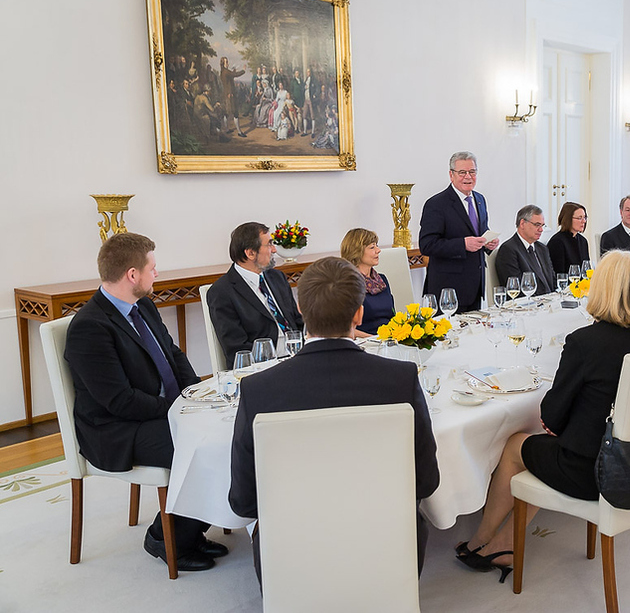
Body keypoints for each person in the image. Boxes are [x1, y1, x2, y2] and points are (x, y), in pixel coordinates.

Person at [455, 251, 630, 582]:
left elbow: (550, 417)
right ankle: (502, 540)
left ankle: (483, 539)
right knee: (548, 448)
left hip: (592, 472)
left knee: (515, 445)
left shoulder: (584, 342)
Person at [229, 257, 440, 585]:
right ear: (360, 313)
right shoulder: (399, 379)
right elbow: (426, 481)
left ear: (300, 308)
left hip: (292, 555)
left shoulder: (258, 389)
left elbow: (243, 501)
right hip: (388, 547)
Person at [64, 233, 223, 571]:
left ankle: (190, 530)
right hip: (116, 429)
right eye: (153, 268)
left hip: (154, 413)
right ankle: (165, 540)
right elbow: (119, 401)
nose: (157, 274)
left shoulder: (144, 305)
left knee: (221, 432)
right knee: (199, 445)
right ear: (132, 274)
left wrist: (195, 394)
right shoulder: (89, 327)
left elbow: (173, 354)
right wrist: (180, 410)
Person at [207, 222, 303, 369]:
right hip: (264, 369)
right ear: (250, 253)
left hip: (298, 358)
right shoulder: (221, 292)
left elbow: (296, 322)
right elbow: (237, 349)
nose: (274, 250)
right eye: (269, 244)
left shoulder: (277, 277)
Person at [418, 151, 500, 313]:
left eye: (472, 172)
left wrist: (488, 244)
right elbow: (427, 245)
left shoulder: (480, 199)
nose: (468, 176)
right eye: (462, 172)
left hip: (476, 286)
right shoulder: (436, 204)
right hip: (448, 289)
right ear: (451, 175)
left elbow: (480, 233)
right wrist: (462, 244)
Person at [340, 228, 394, 336]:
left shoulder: (382, 280)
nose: (378, 250)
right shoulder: (348, 284)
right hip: (366, 344)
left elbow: (393, 317)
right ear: (357, 251)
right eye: (372, 247)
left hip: (389, 341)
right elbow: (343, 329)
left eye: (376, 246)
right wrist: (376, 339)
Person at [494, 205, 557, 295]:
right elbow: (516, 289)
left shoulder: (542, 248)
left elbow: (552, 281)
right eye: (537, 225)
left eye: (542, 225)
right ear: (522, 223)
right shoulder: (508, 250)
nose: (541, 229)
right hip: (527, 305)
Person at [547, 201, 591, 274]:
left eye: (585, 217)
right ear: (568, 219)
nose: (584, 221)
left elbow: (586, 270)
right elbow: (559, 273)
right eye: (579, 218)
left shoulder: (583, 241)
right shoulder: (557, 242)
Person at [219, 57, 247, 137]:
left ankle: (227, 129)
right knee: (235, 113)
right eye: (226, 62)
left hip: (226, 94)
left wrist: (233, 71)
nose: (228, 63)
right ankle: (239, 132)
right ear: (223, 63)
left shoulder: (223, 71)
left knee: (226, 113)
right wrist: (243, 70)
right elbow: (235, 75)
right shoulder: (226, 72)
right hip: (230, 95)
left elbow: (231, 76)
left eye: (227, 61)